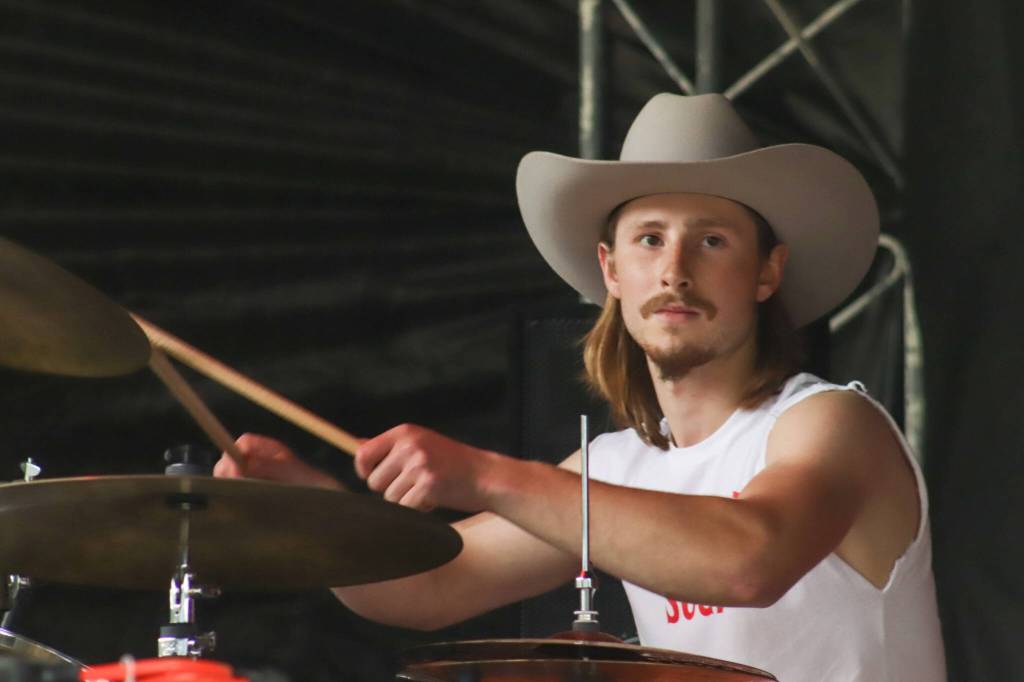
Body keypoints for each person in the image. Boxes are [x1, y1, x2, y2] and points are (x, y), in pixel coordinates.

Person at [215, 93, 946, 681]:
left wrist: (484, 474)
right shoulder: (618, 467)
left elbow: (750, 560)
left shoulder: (830, 421)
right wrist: (310, 510)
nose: (674, 270)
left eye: (712, 240)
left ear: (766, 272)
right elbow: (427, 587)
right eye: (650, 238)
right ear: (611, 270)